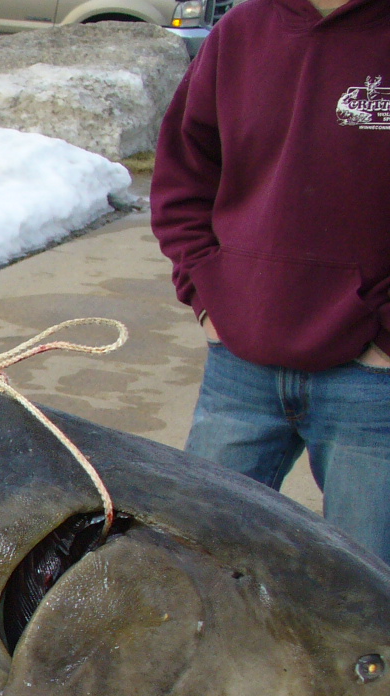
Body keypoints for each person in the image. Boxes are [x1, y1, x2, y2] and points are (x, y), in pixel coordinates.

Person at [151, 0, 390, 561]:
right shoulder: (241, 32)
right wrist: (209, 294)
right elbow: (184, 173)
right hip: (240, 370)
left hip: (371, 385)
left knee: (366, 596)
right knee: (194, 565)